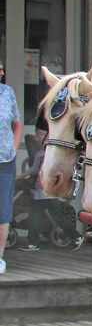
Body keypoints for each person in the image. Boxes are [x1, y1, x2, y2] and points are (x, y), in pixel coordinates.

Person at [19, 128, 83, 251]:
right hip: (39, 193)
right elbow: (33, 170)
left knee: (57, 217)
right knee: (35, 217)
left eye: (43, 135)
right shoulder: (39, 154)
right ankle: (33, 243)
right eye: (38, 136)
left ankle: (76, 236)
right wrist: (20, 176)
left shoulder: (56, 154)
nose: (40, 139)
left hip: (50, 194)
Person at [0, 60, 23, 275]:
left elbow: (17, 123)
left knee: (2, 209)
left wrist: (15, 147)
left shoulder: (7, 93)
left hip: (5, 161)